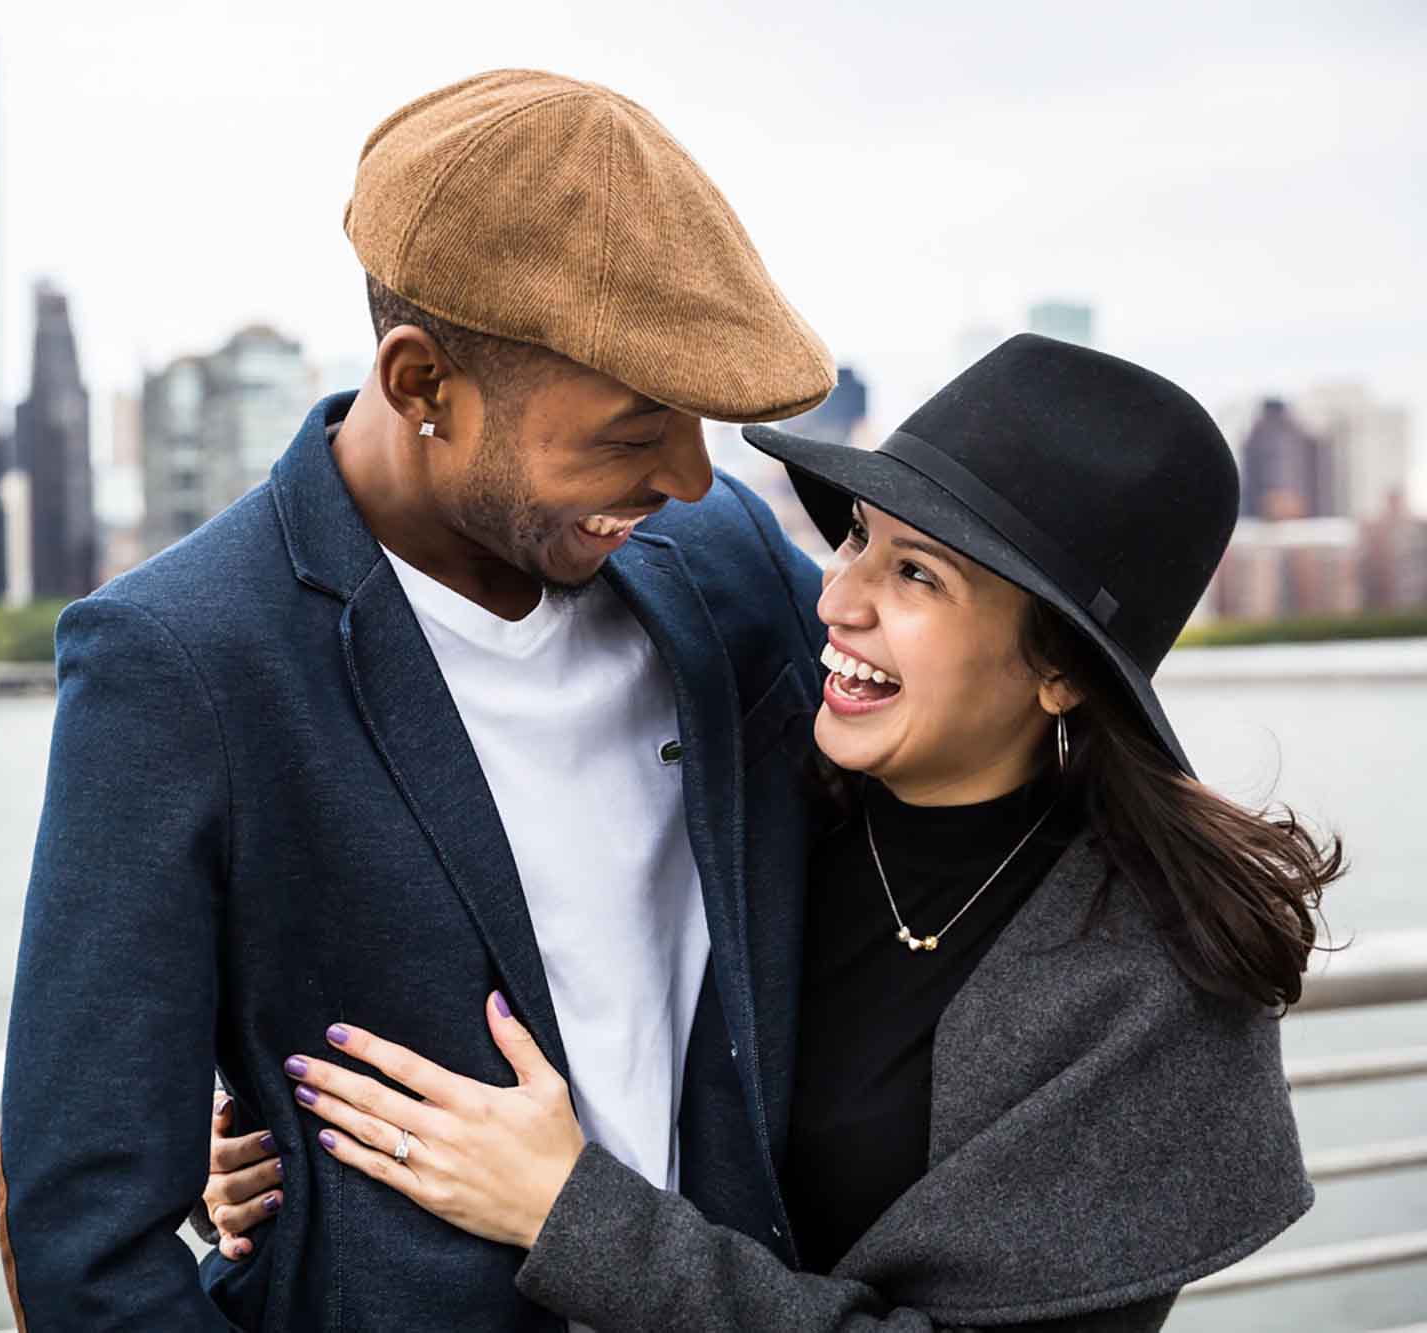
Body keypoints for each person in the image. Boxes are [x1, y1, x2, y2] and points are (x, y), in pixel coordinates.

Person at [205, 335, 1338, 1329]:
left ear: (1056, 669)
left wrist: (570, 1215)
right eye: (853, 542)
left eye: (914, 573)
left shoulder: (1150, 994)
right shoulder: (751, 797)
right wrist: (297, 1156)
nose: (838, 601)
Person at [0, 69, 839, 1330]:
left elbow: (931, 797)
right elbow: (85, 1241)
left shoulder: (724, 570)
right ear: (421, 382)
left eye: (697, 421)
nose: (686, 476)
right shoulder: (178, 661)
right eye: (630, 428)